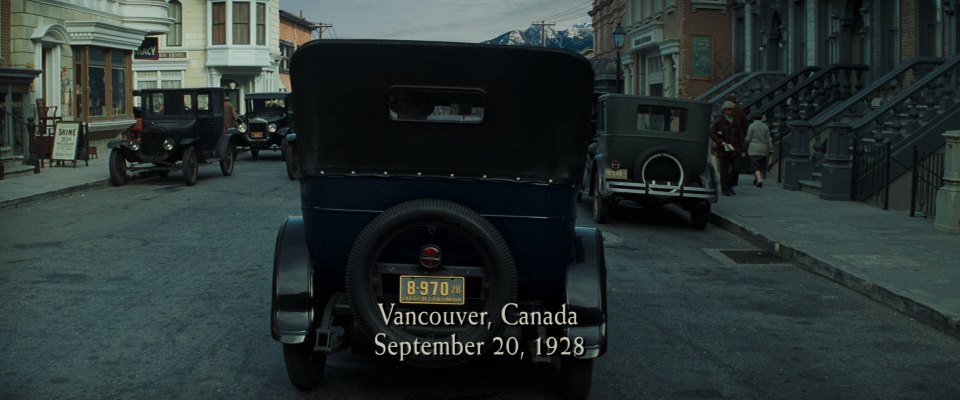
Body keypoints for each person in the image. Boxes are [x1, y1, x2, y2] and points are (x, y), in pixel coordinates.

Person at [710, 101, 746, 196]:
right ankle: (725, 189)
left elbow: (741, 136)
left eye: (731, 109)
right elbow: (712, 133)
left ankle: (730, 185)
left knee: (736, 168)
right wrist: (721, 142)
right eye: (728, 109)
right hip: (723, 149)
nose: (729, 111)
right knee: (724, 171)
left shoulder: (736, 121)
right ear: (724, 110)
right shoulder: (719, 121)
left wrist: (743, 150)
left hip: (735, 149)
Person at [745, 114, 773, 188]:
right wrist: (770, 150)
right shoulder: (765, 126)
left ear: (753, 118)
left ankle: (759, 180)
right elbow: (769, 139)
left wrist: (744, 143)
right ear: (761, 118)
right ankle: (757, 179)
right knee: (761, 166)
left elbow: (748, 138)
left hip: (753, 149)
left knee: (755, 166)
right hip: (763, 149)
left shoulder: (751, 126)